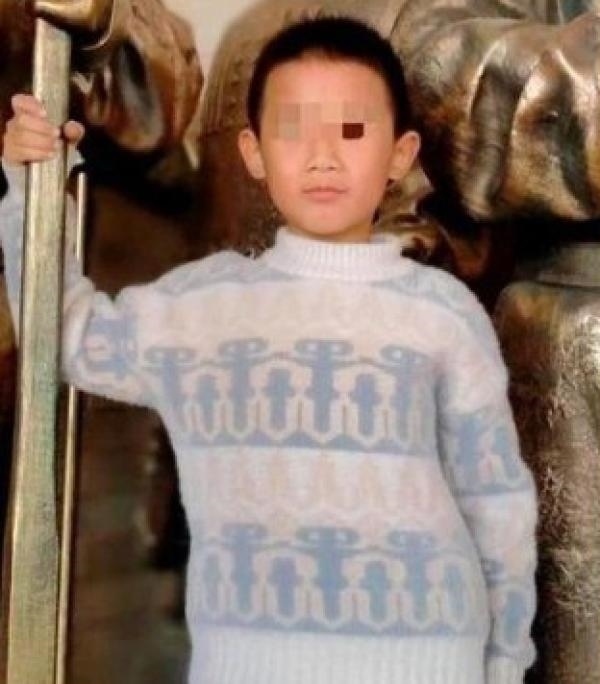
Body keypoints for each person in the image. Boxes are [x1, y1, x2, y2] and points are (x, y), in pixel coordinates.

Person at [1, 16, 537, 684]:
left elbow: (496, 503)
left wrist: (504, 661)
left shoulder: (445, 315)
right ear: (253, 153)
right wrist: (31, 188)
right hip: (248, 661)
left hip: (432, 660)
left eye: (352, 130)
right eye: (293, 130)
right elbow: (72, 339)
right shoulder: (205, 310)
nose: (322, 157)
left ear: (400, 155)